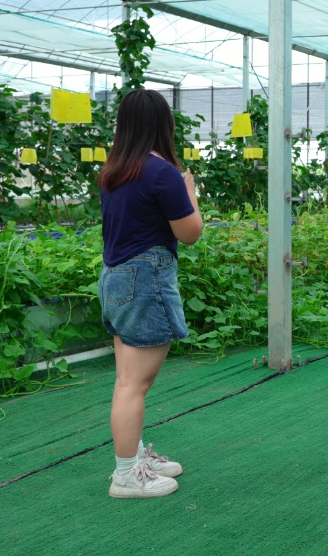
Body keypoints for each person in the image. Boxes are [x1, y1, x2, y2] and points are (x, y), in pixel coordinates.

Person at [98, 89, 203, 498]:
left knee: (126, 379)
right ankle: (126, 476)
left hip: (116, 278)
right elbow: (189, 233)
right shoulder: (162, 172)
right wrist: (190, 192)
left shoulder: (114, 170)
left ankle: (133, 457)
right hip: (145, 278)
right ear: (165, 125)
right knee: (133, 385)